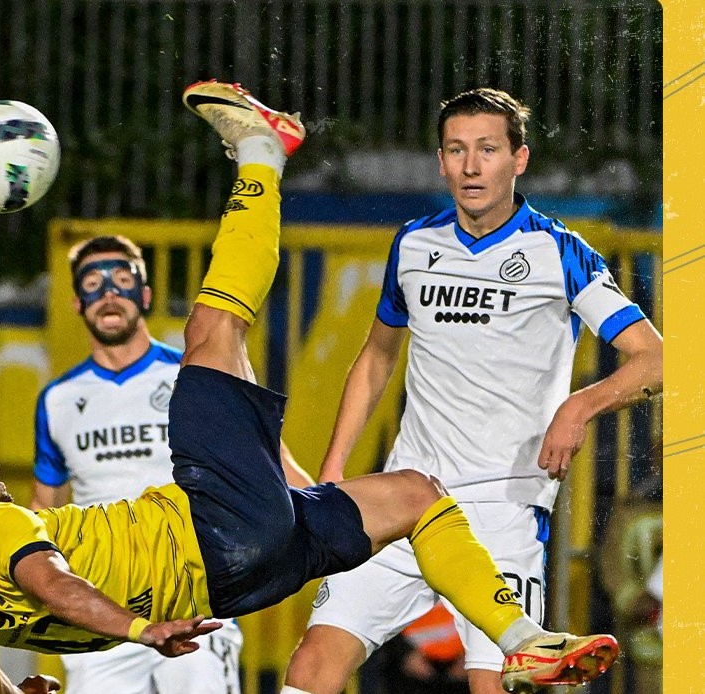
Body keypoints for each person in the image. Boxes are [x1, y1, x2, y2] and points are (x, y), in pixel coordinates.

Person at [0, 81, 619, 694]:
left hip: (236, 583)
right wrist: (134, 630)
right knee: (213, 333)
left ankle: (527, 639)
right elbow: (54, 582)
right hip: (206, 535)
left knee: (416, 495)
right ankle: (263, 150)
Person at [281, 87, 663, 694]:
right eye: (456, 150)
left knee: (495, 686)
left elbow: (654, 358)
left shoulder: (560, 252)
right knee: (311, 666)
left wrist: (579, 406)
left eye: (487, 149)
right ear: (439, 161)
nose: (470, 165)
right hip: (407, 498)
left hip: (502, 512)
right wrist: (334, 479)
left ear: (520, 159)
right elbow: (377, 358)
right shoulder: (413, 244)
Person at [29, 232, 311, 693]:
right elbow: (44, 509)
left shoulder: (192, 373)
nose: (108, 293)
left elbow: (273, 465)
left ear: (144, 294)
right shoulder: (57, 400)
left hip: (195, 592)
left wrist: (335, 515)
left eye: (122, 280)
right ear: (78, 303)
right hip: (103, 607)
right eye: (93, 284)